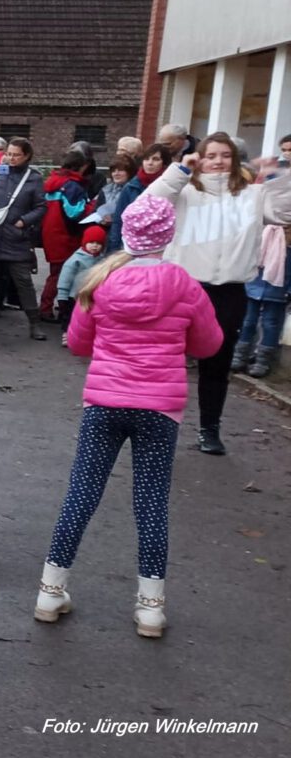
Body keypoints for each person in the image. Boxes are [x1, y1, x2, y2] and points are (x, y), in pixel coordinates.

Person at [33, 195, 222, 638]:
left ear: (127, 234)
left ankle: (50, 588)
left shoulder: (102, 281)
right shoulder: (185, 284)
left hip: (105, 402)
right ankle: (150, 605)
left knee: (82, 493)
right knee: (151, 502)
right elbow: (208, 344)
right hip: (160, 407)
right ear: (167, 235)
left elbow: (79, 342)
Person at [146, 131, 291, 454]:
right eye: (211, 155)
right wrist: (180, 170)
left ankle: (209, 430)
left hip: (230, 290)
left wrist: (279, 175)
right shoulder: (184, 192)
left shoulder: (253, 196)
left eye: (225, 155)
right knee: (166, 361)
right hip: (184, 288)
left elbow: (285, 211)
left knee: (217, 364)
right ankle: (156, 426)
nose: (218, 161)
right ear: (199, 158)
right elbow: (150, 204)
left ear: (235, 160)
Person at [0, 137, 48, 339]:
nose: (11, 158)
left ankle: (34, 323)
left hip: (15, 237)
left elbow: (41, 207)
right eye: (9, 154)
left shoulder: (34, 178)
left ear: (27, 156)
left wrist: (23, 221)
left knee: (23, 281)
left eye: (16, 155)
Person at [230, 225, 291, 378]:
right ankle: (239, 356)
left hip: (278, 290)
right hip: (253, 285)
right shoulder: (262, 236)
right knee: (247, 321)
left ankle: (262, 361)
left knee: (270, 324)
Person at [40, 150, 94, 321]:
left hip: (51, 233)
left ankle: (47, 307)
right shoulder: (73, 186)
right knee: (62, 274)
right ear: (82, 166)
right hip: (66, 236)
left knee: (55, 273)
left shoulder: (53, 181)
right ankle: (47, 309)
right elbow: (74, 213)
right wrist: (92, 207)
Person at [106, 143, 172, 253]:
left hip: (163, 246)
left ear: (164, 163)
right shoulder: (131, 187)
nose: (150, 163)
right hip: (132, 247)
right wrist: (114, 250)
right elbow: (119, 220)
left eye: (155, 159)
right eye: (146, 159)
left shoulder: (170, 186)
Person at [55, 225, 106, 346]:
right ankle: (66, 335)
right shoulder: (75, 260)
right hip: (74, 295)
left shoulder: (102, 260)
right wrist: (62, 296)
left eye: (99, 243)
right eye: (92, 242)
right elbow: (65, 279)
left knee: (86, 318)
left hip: (91, 295)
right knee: (70, 317)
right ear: (85, 242)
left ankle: (81, 337)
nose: (95, 246)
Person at [97, 153, 138, 227]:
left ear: (129, 172)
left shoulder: (135, 190)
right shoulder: (105, 190)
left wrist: (113, 218)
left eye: (120, 170)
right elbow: (96, 210)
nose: (116, 173)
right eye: (113, 171)